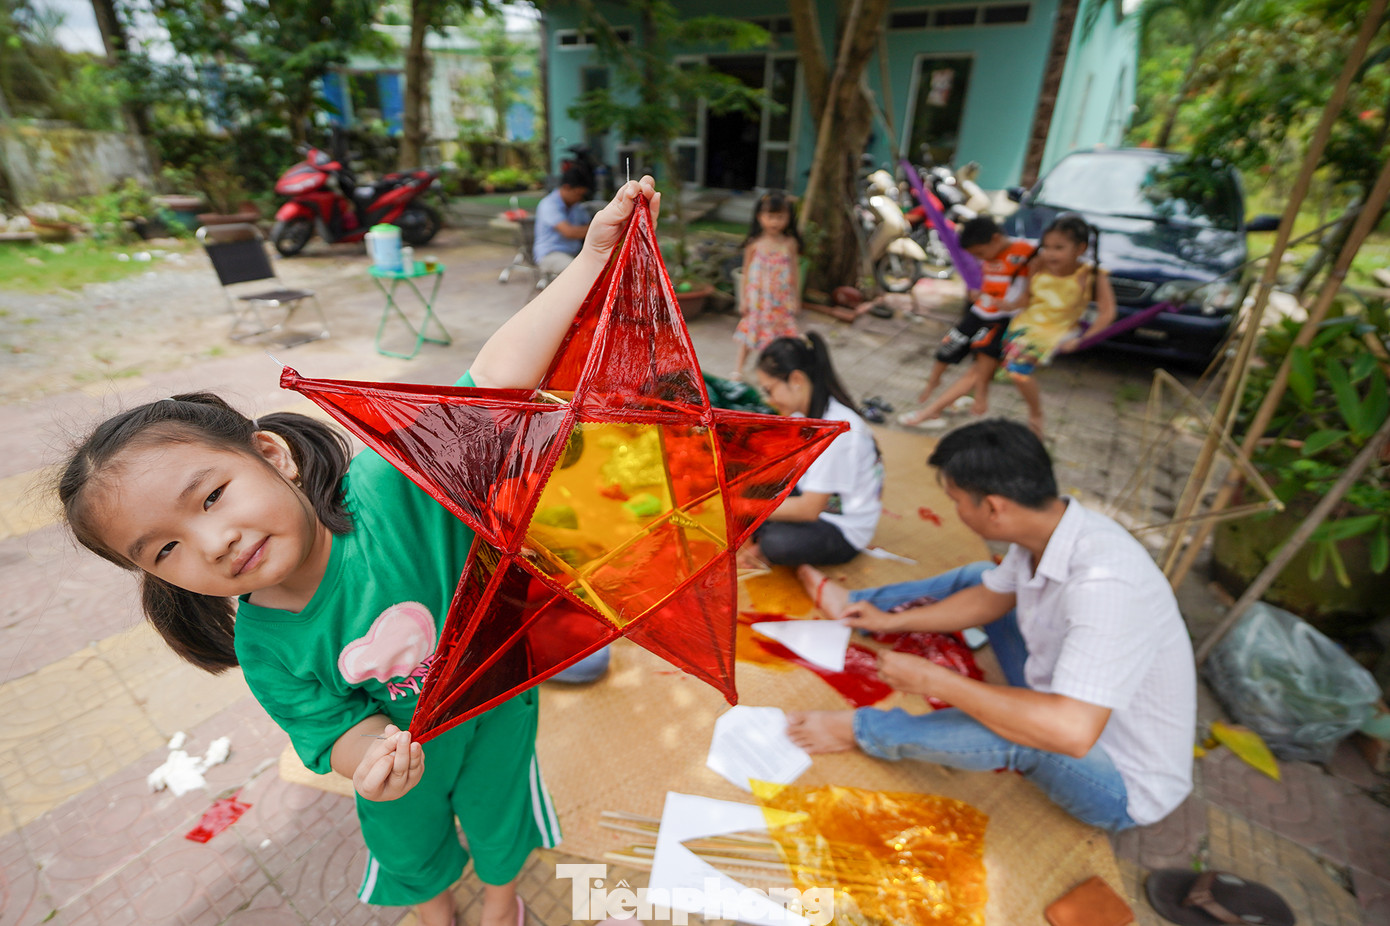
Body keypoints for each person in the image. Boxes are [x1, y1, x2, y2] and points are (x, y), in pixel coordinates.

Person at [56, 178, 662, 926]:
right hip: (406, 759)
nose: (215, 542)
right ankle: (437, 912)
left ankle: (503, 905)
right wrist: (371, 761)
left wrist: (591, 260)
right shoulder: (266, 643)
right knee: (406, 839)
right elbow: (331, 728)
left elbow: (493, 382)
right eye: (166, 549)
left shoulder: (394, 484)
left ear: (272, 455)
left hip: (498, 705)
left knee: (504, 820)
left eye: (211, 496)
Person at [787, 419, 1196, 832]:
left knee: (1024, 733)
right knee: (980, 576)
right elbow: (989, 597)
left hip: (1118, 779)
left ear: (995, 507)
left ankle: (863, 731)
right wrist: (893, 622)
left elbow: (1069, 732)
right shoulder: (1054, 530)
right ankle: (859, 609)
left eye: (957, 500)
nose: (956, 512)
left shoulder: (1105, 586)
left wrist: (935, 680)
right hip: (1065, 699)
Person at [740, 333, 884, 567]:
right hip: (812, 497)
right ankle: (763, 529)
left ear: (796, 379)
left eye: (770, 390)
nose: (770, 400)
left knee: (777, 543)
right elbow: (783, 465)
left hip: (842, 528)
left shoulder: (839, 433)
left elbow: (809, 509)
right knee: (749, 485)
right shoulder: (803, 415)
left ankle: (765, 539)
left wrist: (742, 507)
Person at [897, 216, 1033, 429]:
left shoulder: (1027, 252)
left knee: (982, 362)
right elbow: (985, 277)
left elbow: (1031, 292)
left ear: (996, 240)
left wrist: (1012, 304)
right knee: (949, 346)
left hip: (1003, 318)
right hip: (980, 310)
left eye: (980, 254)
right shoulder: (988, 255)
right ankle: (936, 383)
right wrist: (976, 291)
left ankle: (934, 411)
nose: (980, 258)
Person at [1001, 213, 1116, 437]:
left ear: (1080, 248)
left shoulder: (1092, 274)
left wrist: (1083, 340)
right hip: (1027, 324)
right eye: (1047, 247)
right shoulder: (1038, 264)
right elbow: (1026, 298)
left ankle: (1036, 414)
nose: (1050, 253)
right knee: (996, 362)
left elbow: (1108, 312)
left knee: (1017, 370)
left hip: (1058, 330)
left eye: (1059, 248)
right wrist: (1007, 305)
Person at [731, 190, 802, 381]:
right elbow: (745, 272)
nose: (775, 222)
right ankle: (738, 370)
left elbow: (794, 272)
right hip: (758, 302)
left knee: (778, 339)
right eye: (770, 216)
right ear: (759, 217)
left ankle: (774, 373)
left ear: (788, 218)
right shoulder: (754, 244)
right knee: (750, 334)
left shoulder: (790, 244)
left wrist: (796, 299)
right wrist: (743, 299)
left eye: (780, 217)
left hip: (781, 302)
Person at [533, 165, 594, 276]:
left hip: (575, 253)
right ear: (566, 187)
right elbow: (569, 232)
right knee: (579, 273)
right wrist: (599, 228)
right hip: (551, 255)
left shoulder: (576, 206)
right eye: (578, 194)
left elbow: (587, 226)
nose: (580, 198)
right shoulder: (548, 204)